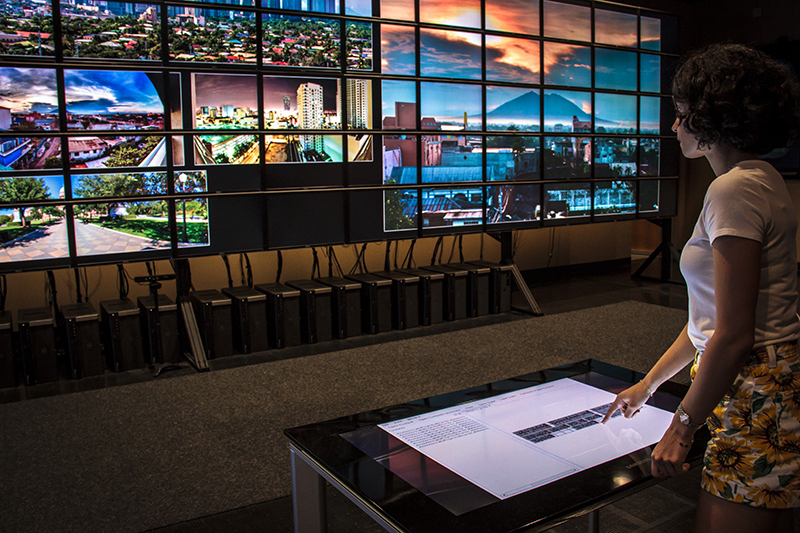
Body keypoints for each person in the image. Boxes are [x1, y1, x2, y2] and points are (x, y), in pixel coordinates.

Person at [602, 43, 800, 533]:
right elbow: (706, 326)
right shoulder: (762, 178)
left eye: (682, 113)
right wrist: (648, 386)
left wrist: (682, 428)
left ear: (713, 118)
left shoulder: (732, 190)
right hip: (767, 383)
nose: (675, 126)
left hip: (756, 390)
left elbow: (733, 336)